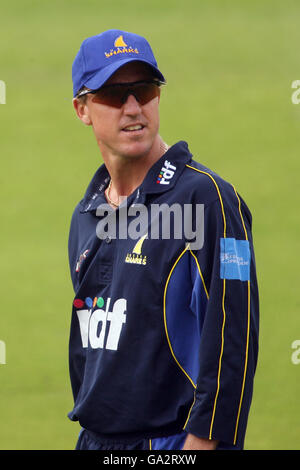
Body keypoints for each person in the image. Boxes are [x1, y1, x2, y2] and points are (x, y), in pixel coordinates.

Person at [68, 29, 259, 451]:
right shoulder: (87, 214)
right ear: (82, 108)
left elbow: (233, 341)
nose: (134, 108)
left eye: (144, 90)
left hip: (172, 444)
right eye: (115, 94)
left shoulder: (207, 199)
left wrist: (202, 445)